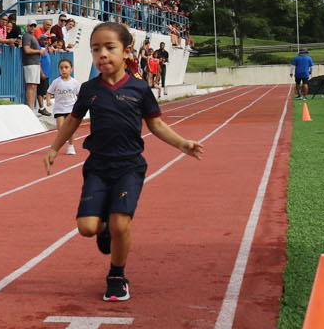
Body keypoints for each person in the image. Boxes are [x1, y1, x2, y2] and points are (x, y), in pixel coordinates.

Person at [42, 22, 204, 302]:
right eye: (96, 49)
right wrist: (55, 147)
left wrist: (182, 143)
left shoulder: (140, 89)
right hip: (98, 167)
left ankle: (117, 275)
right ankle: (103, 227)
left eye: (109, 47)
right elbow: (73, 120)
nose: (102, 54)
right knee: (87, 228)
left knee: (121, 224)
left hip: (129, 166)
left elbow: (156, 125)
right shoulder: (90, 89)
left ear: (127, 51)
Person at [50, 56, 79, 154]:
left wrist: (80, 104)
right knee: (61, 128)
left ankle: (71, 146)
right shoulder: (56, 82)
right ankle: (63, 140)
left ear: (71, 69)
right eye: (61, 68)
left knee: (70, 129)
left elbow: (79, 94)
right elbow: (49, 92)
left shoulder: (74, 82)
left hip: (71, 108)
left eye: (66, 67)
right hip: (59, 109)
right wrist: (49, 100)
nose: (64, 70)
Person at [21, 21, 43, 112]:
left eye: (34, 26)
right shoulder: (26, 36)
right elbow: (26, 49)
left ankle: (32, 107)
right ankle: (30, 107)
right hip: (30, 63)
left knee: (34, 86)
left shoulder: (32, 36)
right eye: (31, 26)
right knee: (31, 85)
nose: (33, 27)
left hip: (34, 63)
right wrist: (39, 51)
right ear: (27, 26)